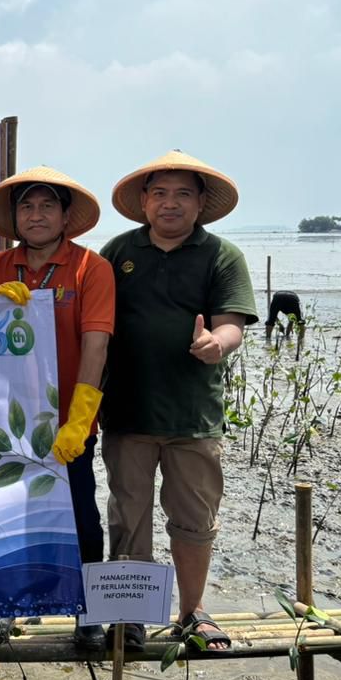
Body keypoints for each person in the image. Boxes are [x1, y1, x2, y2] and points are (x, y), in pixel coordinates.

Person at [100, 150, 257, 652]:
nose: (170, 204)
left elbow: (233, 321)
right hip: (128, 411)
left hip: (195, 414)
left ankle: (193, 612)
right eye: (160, 193)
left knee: (193, 519)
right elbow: (92, 325)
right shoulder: (117, 252)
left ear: (200, 203)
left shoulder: (222, 256)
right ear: (144, 201)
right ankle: (130, 616)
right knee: (129, 517)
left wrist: (218, 342)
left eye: (183, 193)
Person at [0, 166, 114, 650]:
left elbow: (95, 347)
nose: (36, 215)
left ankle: (90, 613)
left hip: (67, 421)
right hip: (11, 420)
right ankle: (0, 610)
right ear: (14, 217)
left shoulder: (89, 268)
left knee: (81, 514)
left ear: (65, 216)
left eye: (47, 205)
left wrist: (80, 421)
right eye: (26, 206)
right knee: (4, 515)